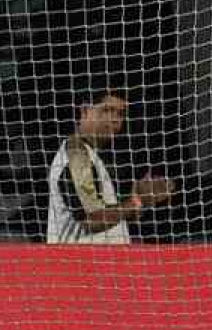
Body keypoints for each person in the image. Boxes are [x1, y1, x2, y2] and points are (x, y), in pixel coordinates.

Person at [46, 90, 172, 245]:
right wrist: (137, 201)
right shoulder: (77, 153)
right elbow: (92, 220)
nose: (115, 119)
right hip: (82, 259)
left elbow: (104, 217)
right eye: (107, 110)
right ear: (85, 111)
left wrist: (137, 199)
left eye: (120, 114)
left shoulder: (89, 154)